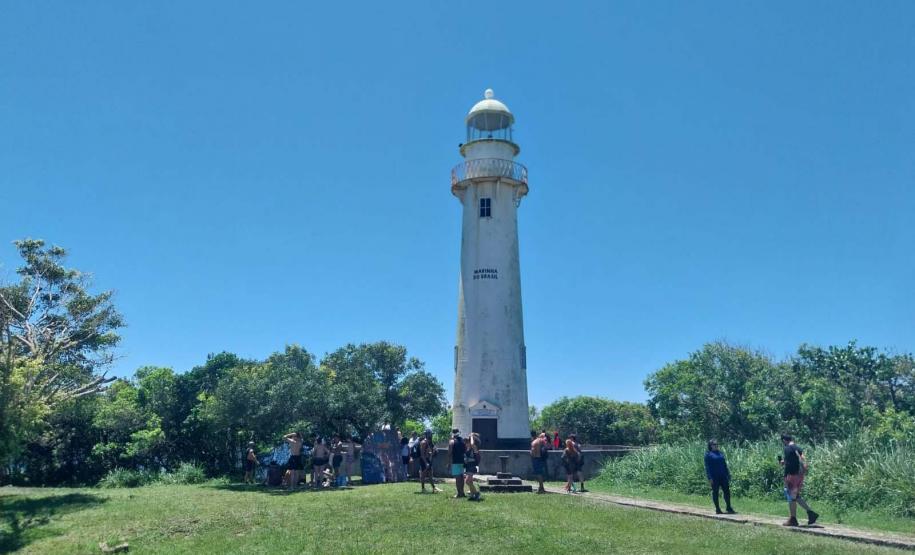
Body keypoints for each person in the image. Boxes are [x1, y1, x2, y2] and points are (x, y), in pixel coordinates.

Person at [780, 434, 819, 526]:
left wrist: (786, 475)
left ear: (784, 440)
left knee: (791, 496)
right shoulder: (798, 448)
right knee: (795, 496)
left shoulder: (787, 449)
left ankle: (793, 519)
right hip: (800, 475)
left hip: (792, 475)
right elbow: (802, 460)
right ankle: (810, 513)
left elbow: (788, 464)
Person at [704, 439, 735, 514]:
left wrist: (728, 474)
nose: (716, 446)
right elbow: (707, 467)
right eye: (714, 444)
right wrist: (709, 478)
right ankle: (717, 509)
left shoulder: (720, 453)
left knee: (727, 491)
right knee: (715, 492)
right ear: (710, 446)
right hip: (714, 477)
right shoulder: (708, 455)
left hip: (723, 476)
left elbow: (724, 465)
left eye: (717, 444)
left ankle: (728, 507)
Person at [448, 429, 467, 498]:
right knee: (461, 477)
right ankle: (462, 492)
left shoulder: (452, 441)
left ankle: (459, 493)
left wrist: (449, 463)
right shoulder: (462, 441)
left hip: (455, 461)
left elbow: (449, 453)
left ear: (452, 433)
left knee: (458, 478)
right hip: (462, 461)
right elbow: (465, 450)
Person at [464, 434, 482, 501]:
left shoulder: (474, 447)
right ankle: (472, 495)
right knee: (470, 481)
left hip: (472, 466)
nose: (466, 444)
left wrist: (471, 436)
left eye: (467, 442)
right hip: (468, 466)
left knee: (467, 481)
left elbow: (472, 444)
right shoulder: (469, 448)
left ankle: (476, 493)